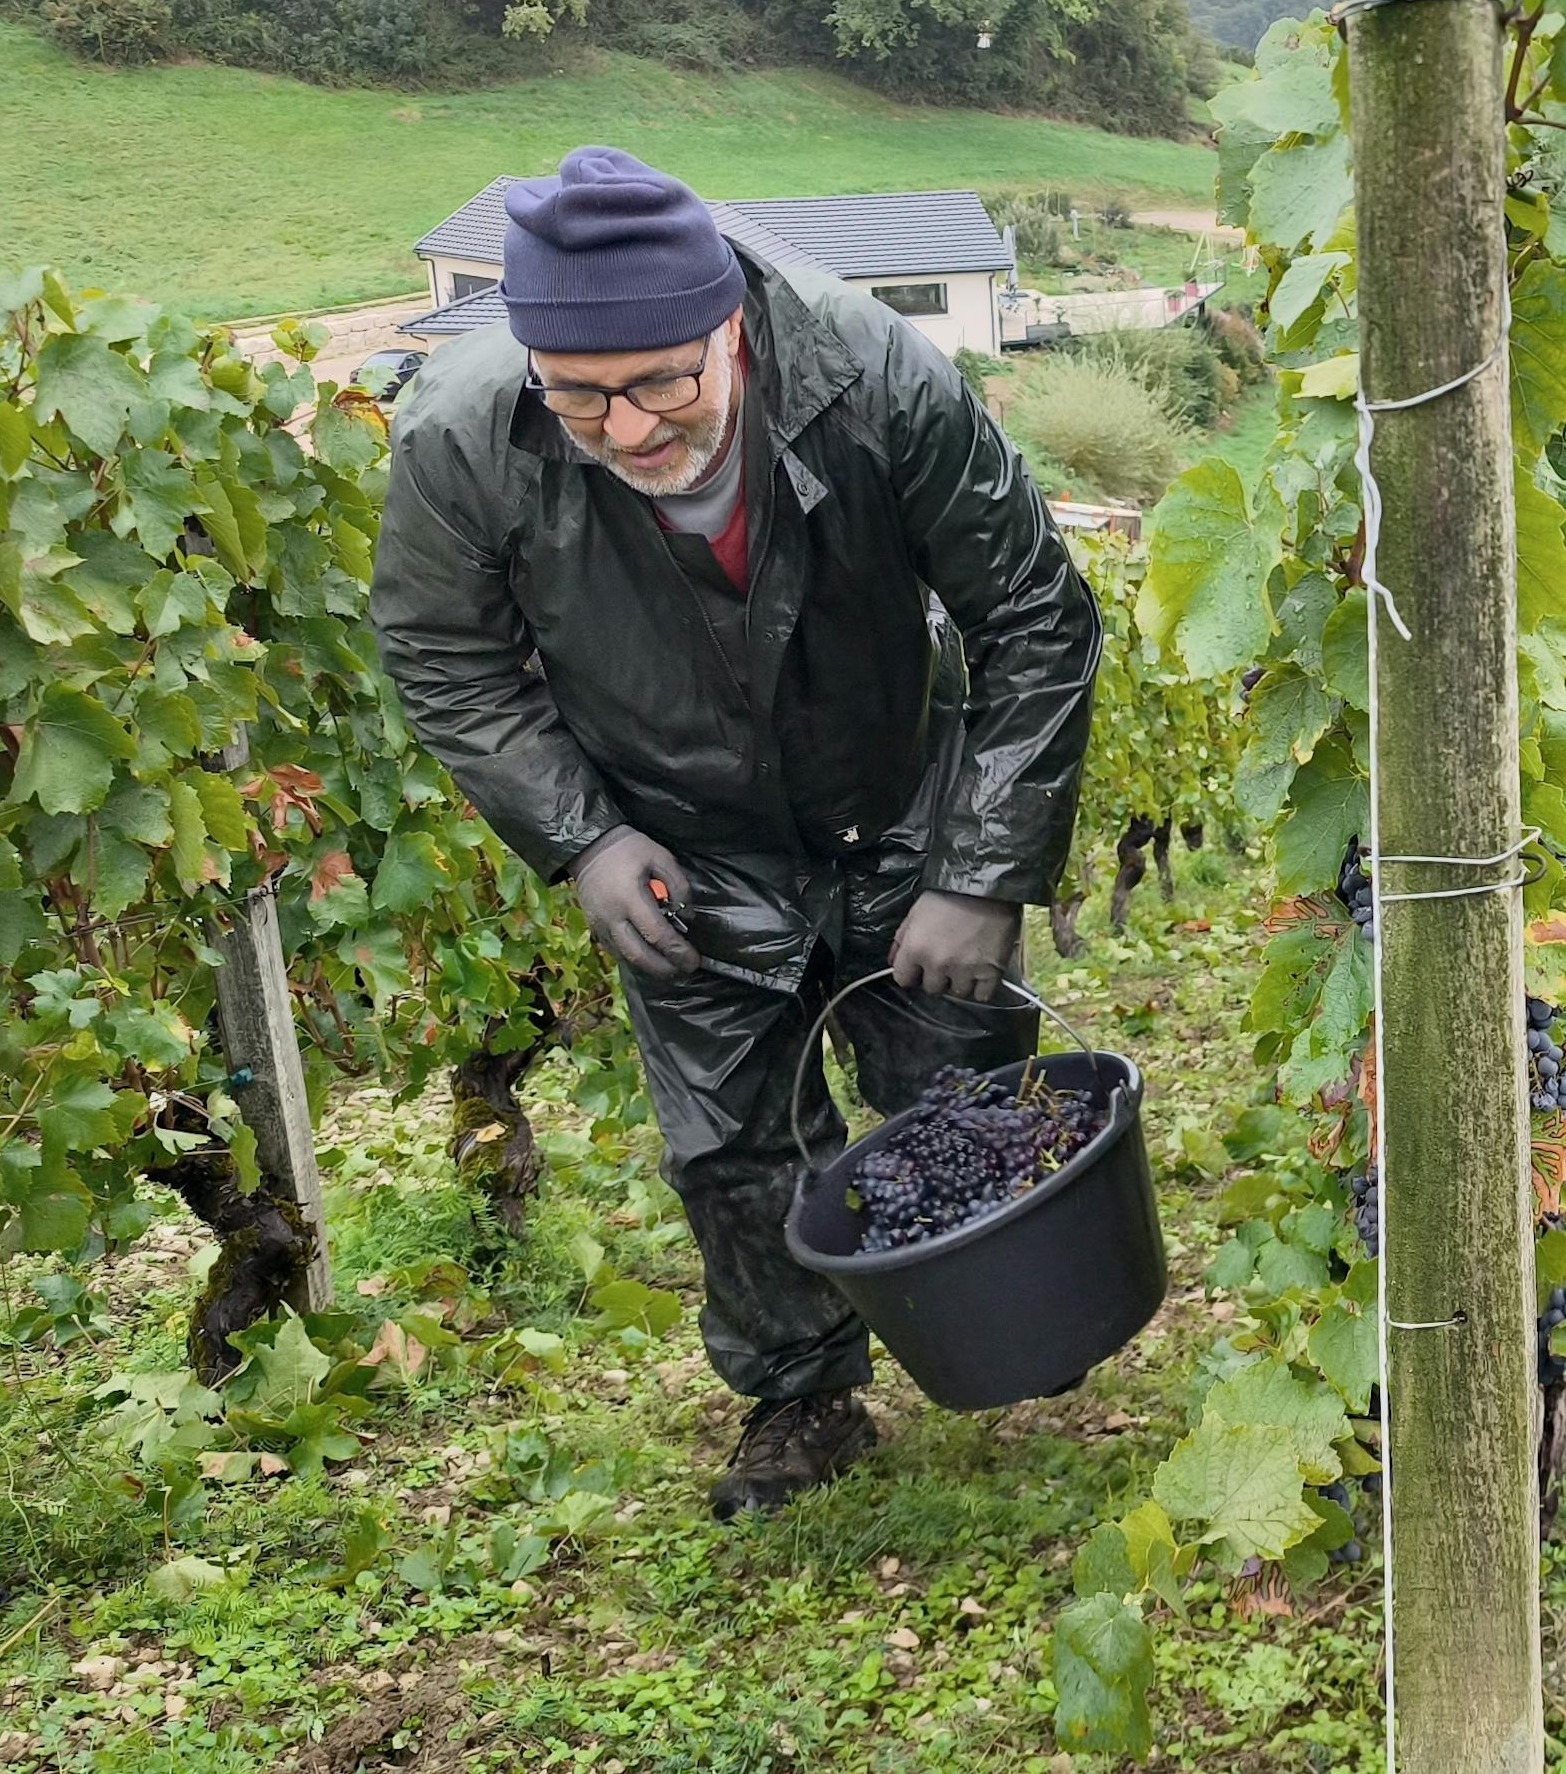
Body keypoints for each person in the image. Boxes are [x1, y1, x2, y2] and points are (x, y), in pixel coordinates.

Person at [370, 148, 1100, 1517]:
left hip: (896, 793)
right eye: (581, 396)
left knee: (954, 1066)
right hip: (678, 833)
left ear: (731, 329)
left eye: (662, 382)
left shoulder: (876, 381)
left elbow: (1037, 618)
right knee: (731, 1143)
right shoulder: (462, 441)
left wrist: (982, 868)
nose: (630, 428)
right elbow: (440, 656)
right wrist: (581, 835)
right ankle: (802, 1396)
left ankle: (1012, 1308)